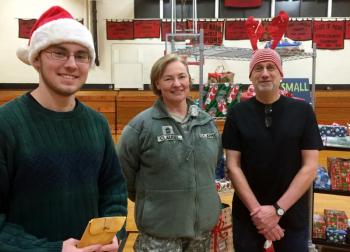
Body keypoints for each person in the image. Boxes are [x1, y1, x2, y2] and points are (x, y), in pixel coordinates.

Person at [0, 6, 127, 252]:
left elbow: (114, 191)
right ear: (36, 58)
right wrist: (53, 249)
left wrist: (114, 235)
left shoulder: (97, 124)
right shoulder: (6, 124)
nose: (71, 64)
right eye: (59, 53)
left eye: (81, 55)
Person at [117, 54, 222, 251]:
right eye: (168, 78)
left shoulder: (207, 122)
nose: (177, 84)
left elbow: (212, 166)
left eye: (182, 77)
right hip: (159, 233)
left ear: (189, 80)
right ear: (157, 84)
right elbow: (124, 176)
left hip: (201, 234)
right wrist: (150, 201)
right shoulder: (140, 127)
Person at [222, 48, 323, 252]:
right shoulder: (236, 114)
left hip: (291, 214)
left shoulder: (303, 111)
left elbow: (310, 167)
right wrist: (259, 214)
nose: (265, 73)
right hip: (249, 215)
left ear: (281, 74)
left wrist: (277, 210)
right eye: (258, 68)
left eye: (271, 67)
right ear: (250, 76)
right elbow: (233, 167)